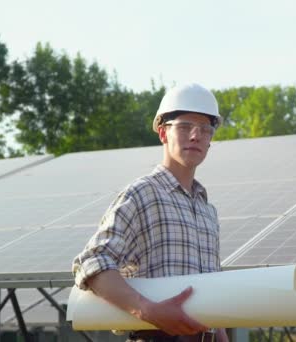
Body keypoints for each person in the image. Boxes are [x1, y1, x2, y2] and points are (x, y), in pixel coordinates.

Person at [72, 83, 228, 342]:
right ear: (163, 133)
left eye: (205, 129)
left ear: (211, 140)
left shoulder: (207, 211)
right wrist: (148, 310)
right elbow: (92, 262)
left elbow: (210, 288)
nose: (195, 135)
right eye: (185, 126)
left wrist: (221, 334)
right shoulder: (142, 195)